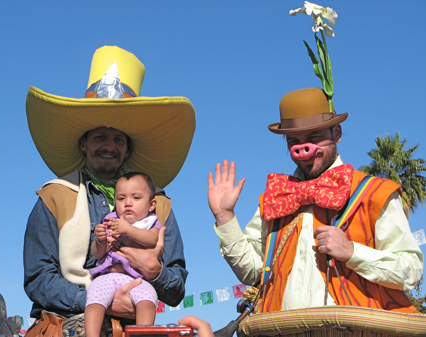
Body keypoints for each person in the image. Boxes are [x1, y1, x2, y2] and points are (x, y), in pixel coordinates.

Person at [207, 87, 423, 313]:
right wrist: (225, 217)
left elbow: (411, 271)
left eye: (314, 137)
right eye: (293, 140)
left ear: (336, 133)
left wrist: (352, 252)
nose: (303, 148)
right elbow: (252, 273)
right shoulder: (274, 200)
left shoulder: (375, 194)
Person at [23, 46, 196, 323]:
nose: (109, 146)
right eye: (100, 137)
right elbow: (38, 278)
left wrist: (157, 273)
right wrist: (99, 300)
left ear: (127, 149)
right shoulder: (54, 197)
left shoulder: (159, 204)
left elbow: (176, 288)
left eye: (118, 139)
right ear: (84, 144)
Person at [86, 172, 161, 336]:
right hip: (108, 276)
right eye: (121, 198)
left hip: (137, 280)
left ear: (151, 204)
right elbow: (97, 255)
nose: (128, 203)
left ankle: (142, 334)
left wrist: (128, 229)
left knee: (148, 299)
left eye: (136, 198)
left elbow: (152, 239)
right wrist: (100, 240)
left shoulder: (150, 222)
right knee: (94, 299)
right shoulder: (110, 219)